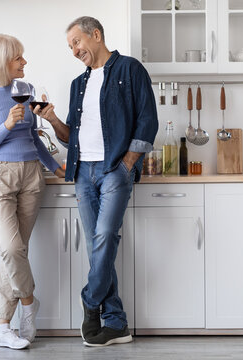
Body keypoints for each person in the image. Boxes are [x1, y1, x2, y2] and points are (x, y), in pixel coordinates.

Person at [32, 16, 158, 347]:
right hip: (82, 172)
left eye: (77, 42)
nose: (74, 51)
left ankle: (90, 300)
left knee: (104, 236)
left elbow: (147, 120)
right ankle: (115, 323)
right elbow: (69, 136)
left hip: (114, 168)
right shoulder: (78, 84)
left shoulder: (130, 70)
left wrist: (127, 165)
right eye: (70, 46)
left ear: (96, 35)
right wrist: (52, 119)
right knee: (96, 245)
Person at [0, 34, 65, 350]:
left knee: (16, 251)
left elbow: (35, 138)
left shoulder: (25, 90)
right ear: (2, 62)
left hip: (31, 176)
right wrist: (6, 125)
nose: (25, 62)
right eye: (19, 58)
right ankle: (28, 302)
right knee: (11, 249)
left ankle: (1, 327)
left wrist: (54, 166)